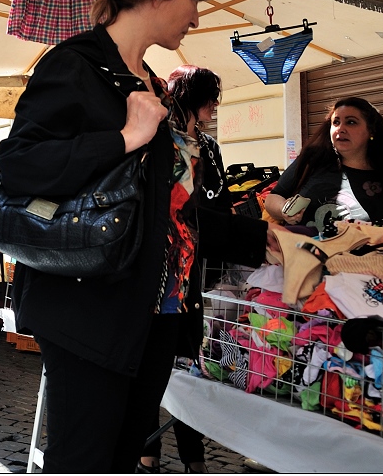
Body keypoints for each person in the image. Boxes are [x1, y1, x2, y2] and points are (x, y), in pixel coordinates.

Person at [0, 0, 276, 472]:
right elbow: (21, 163)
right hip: (91, 305)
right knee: (85, 461)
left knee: (123, 459)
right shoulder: (75, 65)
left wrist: (257, 239)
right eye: (194, 0)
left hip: (158, 307)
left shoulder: (151, 82)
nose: (196, 17)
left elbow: (171, 212)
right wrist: (122, 140)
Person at [139, 66, 229, 474]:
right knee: (149, 367)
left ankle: (194, 459)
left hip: (192, 272)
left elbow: (217, 203)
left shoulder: (207, 147)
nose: (213, 105)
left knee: (185, 367)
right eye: (208, 96)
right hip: (155, 268)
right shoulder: (159, 137)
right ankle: (146, 453)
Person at [265, 96, 383, 232]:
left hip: (362, 277)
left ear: (371, 131)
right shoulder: (312, 162)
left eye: (351, 122)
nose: (341, 129)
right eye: (336, 122)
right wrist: (284, 209)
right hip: (302, 270)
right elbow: (273, 197)